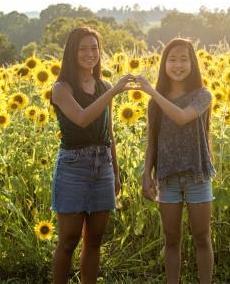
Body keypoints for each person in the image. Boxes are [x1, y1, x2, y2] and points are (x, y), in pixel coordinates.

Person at [50, 26, 134, 284]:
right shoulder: (62, 88)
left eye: (94, 48)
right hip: (73, 167)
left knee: (95, 239)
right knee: (68, 240)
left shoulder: (103, 85)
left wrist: (116, 173)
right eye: (83, 48)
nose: (90, 53)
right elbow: (83, 119)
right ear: (72, 52)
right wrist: (113, 92)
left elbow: (108, 133)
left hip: (103, 166)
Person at [136, 38, 215, 284]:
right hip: (167, 177)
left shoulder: (202, 95)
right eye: (172, 59)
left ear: (193, 63)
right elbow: (152, 140)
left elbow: (182, 117)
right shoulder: (155, 102)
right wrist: (146, 173)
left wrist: (151, 91)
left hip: (197, 175)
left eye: (184, 59)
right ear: (164, 64)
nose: (178, 65)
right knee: (171, 239)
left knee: (202, 236)